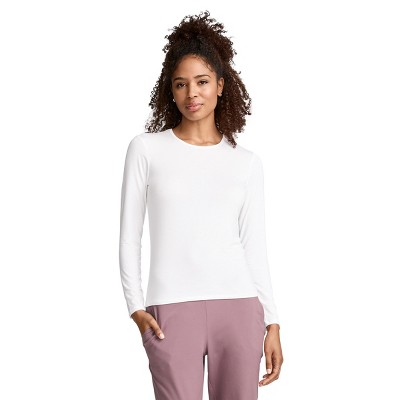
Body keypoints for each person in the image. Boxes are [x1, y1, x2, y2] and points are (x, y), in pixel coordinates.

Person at [119, 10, 284, 400]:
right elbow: (129, 237)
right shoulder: (146, 150)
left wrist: (272, 322)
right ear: (171, 90)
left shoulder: (246, 163)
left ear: (221, 86)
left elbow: (254, 247)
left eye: (202, 82)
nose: (191, 93)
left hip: (239, 307)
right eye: (181, 84)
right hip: (170, 310)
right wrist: (135, 308)